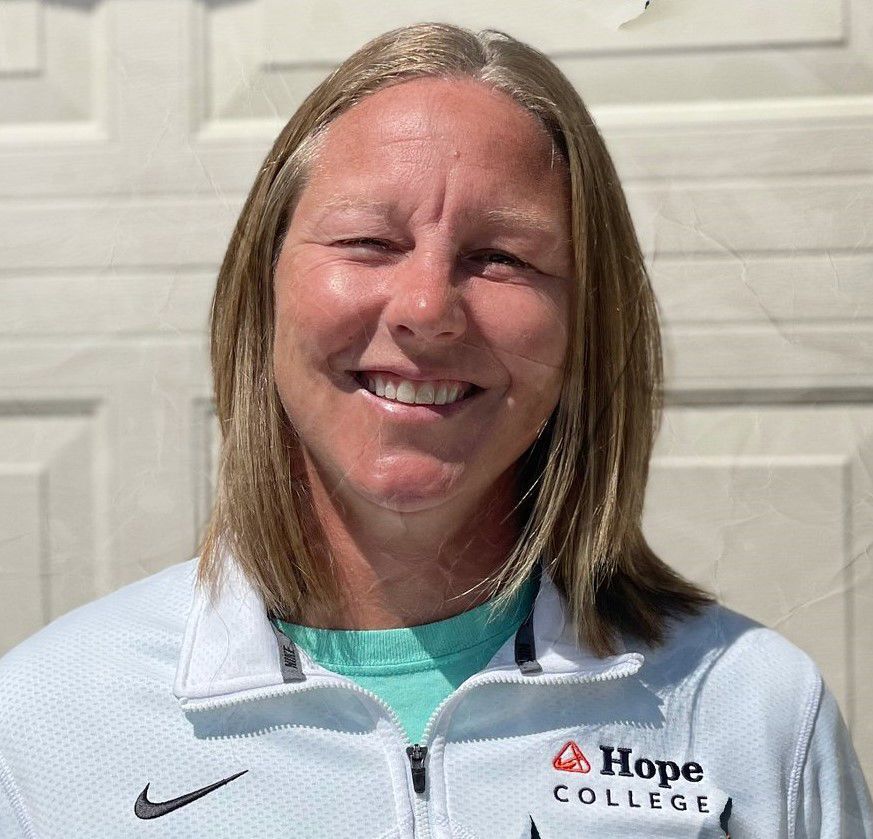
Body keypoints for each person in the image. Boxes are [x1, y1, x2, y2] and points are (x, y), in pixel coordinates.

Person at [0, 21, 870, 839]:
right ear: (262, 291)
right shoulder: (45, 719)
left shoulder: (751, 708)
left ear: (584, 327)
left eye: (501, 257)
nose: (425, 307)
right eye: (368, 241)